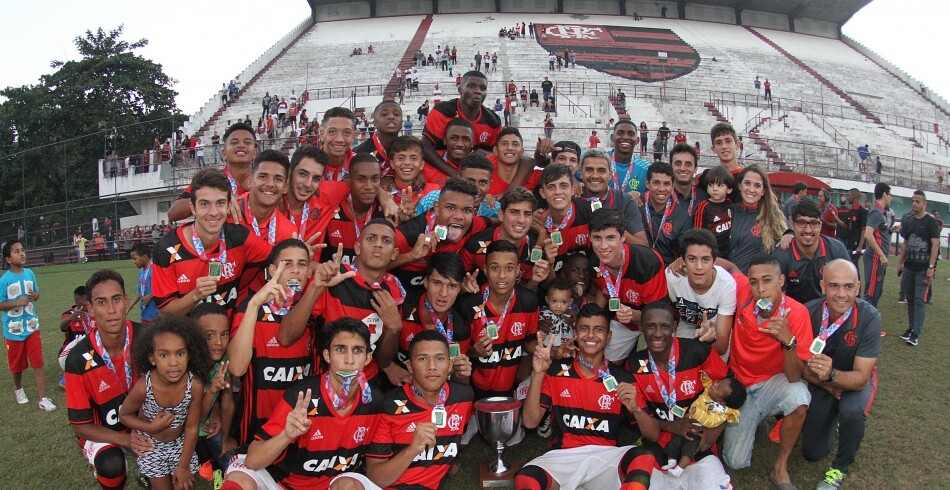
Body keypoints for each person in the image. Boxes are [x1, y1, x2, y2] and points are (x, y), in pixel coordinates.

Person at [222, 318, 384, 489]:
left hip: (332, 484)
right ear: (327, 355)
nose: (349, 360)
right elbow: (253, 460)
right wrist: (287, 435)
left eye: (357, 350)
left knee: (349, 485)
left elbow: (376, 470)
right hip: (282, 482)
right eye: (340, 349)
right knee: (239, 480)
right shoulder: (302, 396)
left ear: (367, 358)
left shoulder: (376, 403)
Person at [517, 304, 662, 490]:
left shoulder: (622, 379)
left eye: (599, 330)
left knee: (644, 456)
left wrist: (636, 409)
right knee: (527, 478)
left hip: (605, 456)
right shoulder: (555, 371)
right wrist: (538, 373)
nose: (591, 335)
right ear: (575, 334)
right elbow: (530, 422)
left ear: (608, 337)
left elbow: (653, 435)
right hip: (563, 456)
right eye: (584, 329)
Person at [722, 254, 814, 487]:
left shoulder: (798, 313)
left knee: (799, 395)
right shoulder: (743, 291)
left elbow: (794, 376)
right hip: (740, 386)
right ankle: (757, 422)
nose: (761, 289)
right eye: (755, 282)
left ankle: (780, 468)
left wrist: (788, 341)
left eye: (767, 281)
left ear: (781, 280)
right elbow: (731, 266)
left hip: (773, 383)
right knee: (735, 461)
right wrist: (681, 262)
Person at [625, 302, 738, 487]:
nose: (658, 333)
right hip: (659, 443)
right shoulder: (634, 364)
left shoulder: (697, 351)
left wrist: (716, 428)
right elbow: (639, 418)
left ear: (675, 327)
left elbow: (732, 390)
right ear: (641, 327)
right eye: (651, 326)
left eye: (665, 326)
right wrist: (671, 426)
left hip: (696, 440)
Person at [282, 220, 406, 385]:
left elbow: (383, 361)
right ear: (357, 248)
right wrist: (316, 288)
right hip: (329, 384)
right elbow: (286, 337)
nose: (378, 245)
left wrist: (395, 329)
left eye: (386, 241)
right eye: (371, 238)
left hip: (369, 385)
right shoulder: (333, 277)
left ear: (394, 253)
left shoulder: (394, 291)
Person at [65, 269, 152, 489]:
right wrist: (125, 440)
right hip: (102, 431)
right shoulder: (77, 359)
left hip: (144, 424)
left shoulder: (148, 339)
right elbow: (81, 426)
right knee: (111, 465)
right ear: (91, 310)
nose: (112, 310)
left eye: (116, 299)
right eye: (102, 303)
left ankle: (148, 472)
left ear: (125, 301)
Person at [229, 239, 319, 446]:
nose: (295, 271)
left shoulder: (314, 308)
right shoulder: (251, 308)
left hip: (300, 421)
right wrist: (254, 304)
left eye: (302, 264)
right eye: (287, 264)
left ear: (308, 272)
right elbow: (236, 367)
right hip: (257, 423)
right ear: (271, 270)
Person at [800, 259, 881, 490]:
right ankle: (833, 420)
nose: (841, 294)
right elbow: (799, 365)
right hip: (822, 383)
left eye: (848, 286)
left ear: (858, 287)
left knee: (853, 411)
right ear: (823, 286)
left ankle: (840, 468)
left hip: (854, 380)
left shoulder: (870, 318)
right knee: (812, 452)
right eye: (834, 286)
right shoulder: (808, 311)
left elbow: (861, 377)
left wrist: (832, 374)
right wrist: (826, 384)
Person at [361, 330, 474, 488]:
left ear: (450, 365)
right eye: (422, 359)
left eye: (440, 358)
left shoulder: (464, 397)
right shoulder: (387, 406)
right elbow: (375, 479)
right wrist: (412, 450)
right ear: (410, 367)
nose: (432, 367)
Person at [152, 168, 273, 315]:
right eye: (204, 204)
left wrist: (298, 253)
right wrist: (196, 295)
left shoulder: (240, 238)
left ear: (229, 206)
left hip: (225, 336)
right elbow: (165, 312)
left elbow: (274, 259)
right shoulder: (167, 248)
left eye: (220, 203)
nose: (213, 212)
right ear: (193, 208)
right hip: (188, 336)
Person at [118, 315, 209, 490]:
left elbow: (191, 427)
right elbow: (124, 415)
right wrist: (151, 428)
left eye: (180, 353)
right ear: (152, 359)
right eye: (164, 355)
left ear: (189, 355)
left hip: (180, 445)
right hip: (151, 446)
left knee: (184, 485)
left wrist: (183, 466)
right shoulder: (145, 385)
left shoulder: (194, 385)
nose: (173, 362)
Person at [588, 208, 668, 362]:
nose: (603, 246)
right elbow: (602, 289)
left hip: (655, 321)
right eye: (597, 238)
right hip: (622, 322)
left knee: (659, 365)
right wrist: (597, 319)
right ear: (589, 238)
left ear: (623, 237)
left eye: (611, 237)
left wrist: (636, 316)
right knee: (604, 363)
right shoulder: (593, 264)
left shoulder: (647, 263)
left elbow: (661, 316)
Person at [0, 240, 55, 411]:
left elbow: (37, 294)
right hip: (13, 330)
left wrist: (34, 295)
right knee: (17, 365)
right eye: (17, 251)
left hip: (32, 327)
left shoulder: (30, 273)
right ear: (8, 259)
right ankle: (18, 389)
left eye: (23, 250)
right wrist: (17, 302)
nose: (22, 254)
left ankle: (43, 398)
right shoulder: (4, 280)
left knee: (38, 362)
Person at [169, 122, 257, 222]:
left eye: (247, 142)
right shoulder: (209, 179)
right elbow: (173, 213)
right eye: (234, 142)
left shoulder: (264, 181)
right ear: (224, 153)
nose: (241, 145)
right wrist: (215, 198)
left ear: (255, 153)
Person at [665, 229, 736, 350]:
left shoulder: (727, 285)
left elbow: (722, 346)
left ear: (714, 261)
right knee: (678, 358)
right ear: (683, 260)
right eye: (692, 259)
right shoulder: (672, 277)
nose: (699, 267)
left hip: (715, 328)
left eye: (705, 260)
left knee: (714, 362)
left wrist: (710, 339)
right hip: (687, 324)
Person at [189, 303, 234, 487]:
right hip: (181, 431)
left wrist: (225, 439)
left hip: (205, 425)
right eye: (210, 335)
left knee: (230, 458)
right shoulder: (186, 366)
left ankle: (219, 470)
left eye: (224, 334)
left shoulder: (224, 359)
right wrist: (213, 391)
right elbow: (194, 418)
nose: (218, 342)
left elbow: (228, 401)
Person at [774, 198, 849, 305]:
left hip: (828, 313)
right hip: (794, 315)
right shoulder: (782, 254)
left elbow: (849, 289)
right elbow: (777, 298)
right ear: (793, 224)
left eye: (814, 223)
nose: (808, 230)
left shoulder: (837, 250)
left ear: (820, 225)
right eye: (801, 223)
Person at [321, 154, 387, 265]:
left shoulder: (386, 212)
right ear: (348, 181)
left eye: (375, 179)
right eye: (361, 179)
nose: (369, 186)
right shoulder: (332, 211)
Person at [725, 164, 788, 273]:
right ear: (740, 185)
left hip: (755, 285)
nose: (751, 189)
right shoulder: (726, 212)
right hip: (725, 283)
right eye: (747, 183)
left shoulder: (773, 217)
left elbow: (788, 236)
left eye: (757, 186)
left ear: (763, 191)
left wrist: (789, 233)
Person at [578, 149, 647, 247]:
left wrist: (615, 228)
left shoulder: (625, 201)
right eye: (589, 170)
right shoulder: (571, 198)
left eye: (601, 171)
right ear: (581, 173)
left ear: (610, 174)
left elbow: (643, 245)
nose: (595, 176)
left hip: (614, 260)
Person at [897, 190, 940, 346]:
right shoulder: (909, 221)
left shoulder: (931, 221)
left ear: (924, 203)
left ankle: (916, 333)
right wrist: (900, 263)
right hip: (909, 267)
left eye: (918, 201)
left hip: (923, 269)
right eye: (913, 201)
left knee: (919, 301)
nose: (915, 204)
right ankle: (910, 328)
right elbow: (906, 244)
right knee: (910, 300)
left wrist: (931, 266)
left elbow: (935, 244)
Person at [639, 162, 691, 265]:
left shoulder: (682, 217)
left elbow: (685, 252)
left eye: (666, 184)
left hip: (667, 271)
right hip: (637, 268)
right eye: (656, 183)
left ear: (672, 186)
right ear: (647, 183)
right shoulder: (635, 205)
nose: (662, 189)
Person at [693, 166, 734, 258]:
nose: (714, 189)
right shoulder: (703, 206)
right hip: (709, 252)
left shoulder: (730, 205)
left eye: (720, 185)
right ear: (707, 188)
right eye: (711, 185)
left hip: (727, 253)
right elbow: (697, 231)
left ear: (729, 189)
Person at [862, 182, 892, 307]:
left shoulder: (881, 212)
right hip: (875, 257)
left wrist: (890, 230)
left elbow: (878, 233)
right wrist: (881, 255)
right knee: (871, 293)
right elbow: (868, 234)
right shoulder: (876, 212)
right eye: (890, 194)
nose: (891, 198)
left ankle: (871, 321)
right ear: (884, 194)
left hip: (878, 257)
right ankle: (865, 323)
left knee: (877, 291)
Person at [58, 285, 92, 388]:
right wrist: (71, 318)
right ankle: (67, 377)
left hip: (89, 350)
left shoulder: (93, 313)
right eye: (86, 300)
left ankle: (86, 374)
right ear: (78, 301)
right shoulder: (69, 314)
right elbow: (62, 327)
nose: (88, 303)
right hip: (71, 351)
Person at [608, 120, 651, 195]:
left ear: (637, 140)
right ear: (612, 137)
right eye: (620, 133)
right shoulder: (599, 162)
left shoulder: (646, 169)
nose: (625, 137)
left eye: (631, 134)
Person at [128, 243, 158, 325]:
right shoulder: (141, 272)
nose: (133, 262)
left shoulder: (155, 270)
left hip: (155, 314)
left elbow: (163, 288)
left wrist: (150, 296)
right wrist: (129, 307)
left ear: (144, 257)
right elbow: (139, 292)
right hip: (145, 314)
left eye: (135, 259)